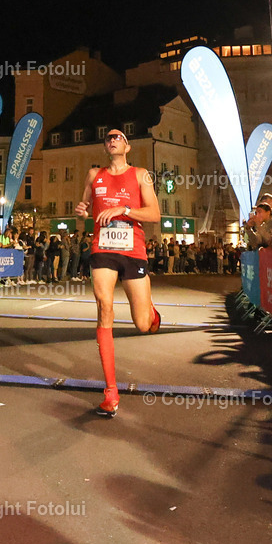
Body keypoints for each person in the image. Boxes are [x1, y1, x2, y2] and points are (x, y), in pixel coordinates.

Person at [75, 129, 162, 417]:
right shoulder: (94, 175)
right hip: (102, 248)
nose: (112, 140)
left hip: (133, 250)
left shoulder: (141, 175)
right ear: (105, 147)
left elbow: (154, 214)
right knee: (105, 308)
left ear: (127, 146)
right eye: (108, 138)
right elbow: (84, 208)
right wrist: (82, 211)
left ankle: (150, 310)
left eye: (118, 137)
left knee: (142, 324)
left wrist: (123, 209)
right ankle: (111, 392)